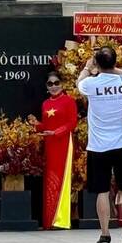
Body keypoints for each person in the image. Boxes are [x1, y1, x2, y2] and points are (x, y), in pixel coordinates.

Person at [77, 46, 122, 243]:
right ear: (114, 62)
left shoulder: (91, 84)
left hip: (98, 147)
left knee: (102, 191)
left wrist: (88, 67)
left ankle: (105, 235)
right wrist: (111, 67)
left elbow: (79, 82)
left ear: (97, 63)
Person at [38, 72, 77, 230]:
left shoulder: (69, 101)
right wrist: (36, 125)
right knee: (50, 180)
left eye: (56, 83)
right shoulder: (45, 103)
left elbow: (72, 122)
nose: (54, 86)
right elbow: (45, 126)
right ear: (46, 86)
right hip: (50, 145)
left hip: (63, 143)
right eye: (50, 84)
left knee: (62, 178)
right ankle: (50, 220)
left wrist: (56, 132)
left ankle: (61, 220)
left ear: (62, 84)